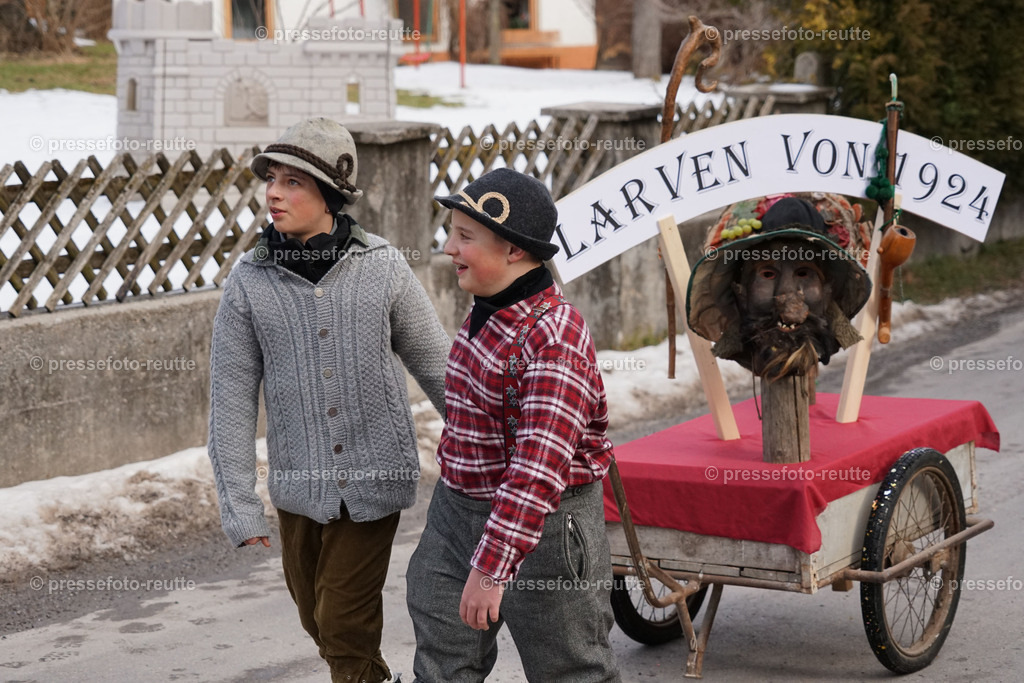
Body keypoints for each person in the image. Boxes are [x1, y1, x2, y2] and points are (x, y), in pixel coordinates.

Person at [208, 117, 450, 683]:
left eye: (294, 181)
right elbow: (231, 397)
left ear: (330, 195)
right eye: (272, 177)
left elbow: (440, 367)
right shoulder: (249, 280)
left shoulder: (382, 265)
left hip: (374, 477)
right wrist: (238, 502)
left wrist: (496, 448)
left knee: (342, 620)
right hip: (298, 486)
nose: (273, 191)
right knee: (318, 619)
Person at [406, 167, 621, 682]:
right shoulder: (490, 306)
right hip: (457, 512)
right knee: (442, 663)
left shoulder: (555, 337)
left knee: (570, 670)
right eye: (451, 233)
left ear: (514, 251)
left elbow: (537, 470)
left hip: (546, 526)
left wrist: (491, 566)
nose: (450, 249)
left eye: (464, 236)